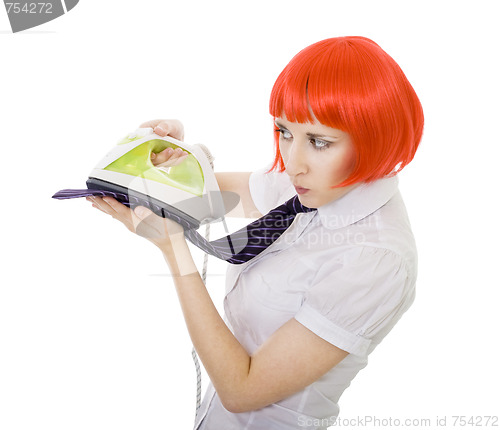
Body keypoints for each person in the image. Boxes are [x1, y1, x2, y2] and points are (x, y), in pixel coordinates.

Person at [87, 36, 423, 429]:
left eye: (318, 141)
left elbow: (241, 391)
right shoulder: (312, 183)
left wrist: (175, 252)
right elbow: (206, 195)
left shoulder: (375, 258)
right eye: (284, 131)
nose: (293, 162)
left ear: (374, 138)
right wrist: (183, 154)